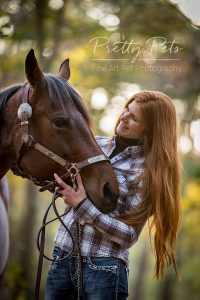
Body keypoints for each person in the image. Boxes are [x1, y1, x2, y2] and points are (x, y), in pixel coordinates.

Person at [45, 91, 181, 300]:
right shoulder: (92, 146)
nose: (124, 117)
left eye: (134, 118)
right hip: (62, 256)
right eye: (127, 109)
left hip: (104, 268)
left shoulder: (147, 174)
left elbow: (128, 236)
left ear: (150, 132)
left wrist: (82, 205)